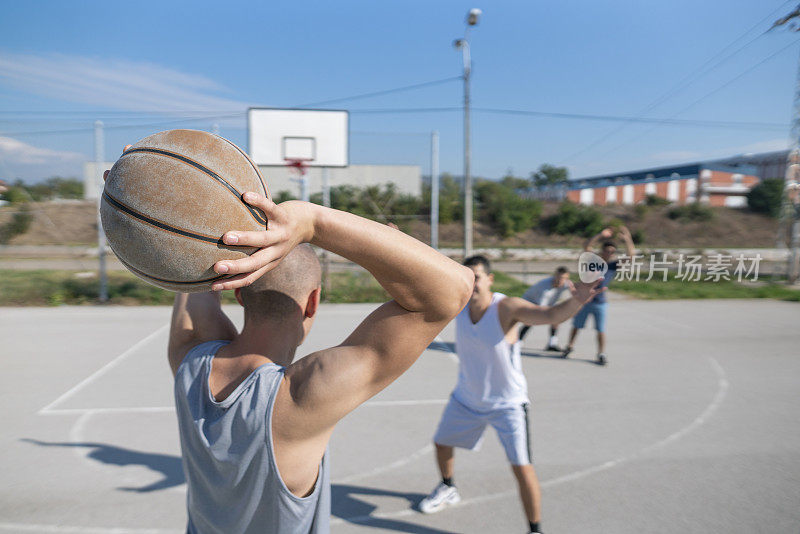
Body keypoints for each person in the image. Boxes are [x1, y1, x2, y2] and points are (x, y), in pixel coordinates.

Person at [166, 191, 474, 533]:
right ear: (313, 302)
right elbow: (454, 289)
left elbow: (188, 259)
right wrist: (312, 222)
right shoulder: (298, 398)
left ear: (238, 294)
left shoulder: (189, 355)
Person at [418, 255, 603, 534]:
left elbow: (549, 315)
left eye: (477, 277)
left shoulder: (506, 307)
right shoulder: (459, 304)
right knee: (442, 444)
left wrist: (577, 300)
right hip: (467, 398)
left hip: (508, 405)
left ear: (491, 279)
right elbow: (421, 285)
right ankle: (448, 488)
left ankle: (535, 529)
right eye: (466, 278)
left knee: (522, 468)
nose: (472, 283)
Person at [561, 225, 635, 366]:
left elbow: (631, 257)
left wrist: (628, 239)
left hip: (600, 302)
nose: (609, 254)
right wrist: (600, 235)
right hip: (584, 301)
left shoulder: (613, 266)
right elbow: (587, 246)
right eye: (607, 251)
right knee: (576, 326)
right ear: (602, 251)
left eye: (612, 252)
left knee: (600, 329)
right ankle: (569, 347)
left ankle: (601, 353)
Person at [518, 266, 572, 351]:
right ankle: (518, 342)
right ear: (555, 276)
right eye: (559, 277)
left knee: (556, 319)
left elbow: (576, 290)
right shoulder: (544, 288)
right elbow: (541, 309)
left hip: (547, 303)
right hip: (530, 301)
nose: (561, 280)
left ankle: (552, 343)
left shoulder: (566, 284)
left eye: (564, 278)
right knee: (531, 320)